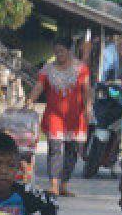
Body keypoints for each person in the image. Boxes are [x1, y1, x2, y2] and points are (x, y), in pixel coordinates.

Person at [24, 35, 92, 198]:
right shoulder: (48, 69)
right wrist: (29, 101)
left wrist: (89, 108)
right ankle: (53, 184)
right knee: (54, 149)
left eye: (61, 51)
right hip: (54, 116)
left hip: (75, 117)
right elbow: (39, 86)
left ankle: (64, 185)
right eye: (56, 52)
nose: (59, 54)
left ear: (69, 51)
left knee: (72, 151)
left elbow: (86, 90)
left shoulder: (81, 69)